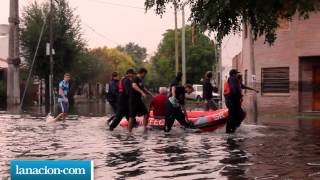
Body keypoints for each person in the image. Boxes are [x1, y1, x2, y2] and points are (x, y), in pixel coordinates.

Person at [128, 68, 153, 133]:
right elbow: (134, 85)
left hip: (138, 100)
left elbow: (143, 87)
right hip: (133, 100)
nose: (145, 76)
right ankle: (129, 132)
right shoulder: (135, 78)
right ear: (142, 73)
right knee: (132, 116)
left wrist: (150, 93)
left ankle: (144, 128)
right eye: (145, 74)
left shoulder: (140, 80)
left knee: (146, 113)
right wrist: (142, 92)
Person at [224, 69, 242, 133]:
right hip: (233, 100)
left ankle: (232, 129)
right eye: (236, 73)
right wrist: (238, 97)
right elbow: (233, 88)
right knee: (232, 115)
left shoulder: (233, 79)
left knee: (237, 114)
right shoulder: (232, 79)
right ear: (234, 74)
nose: (237, 74)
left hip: (232, 100)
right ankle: (229, 130)